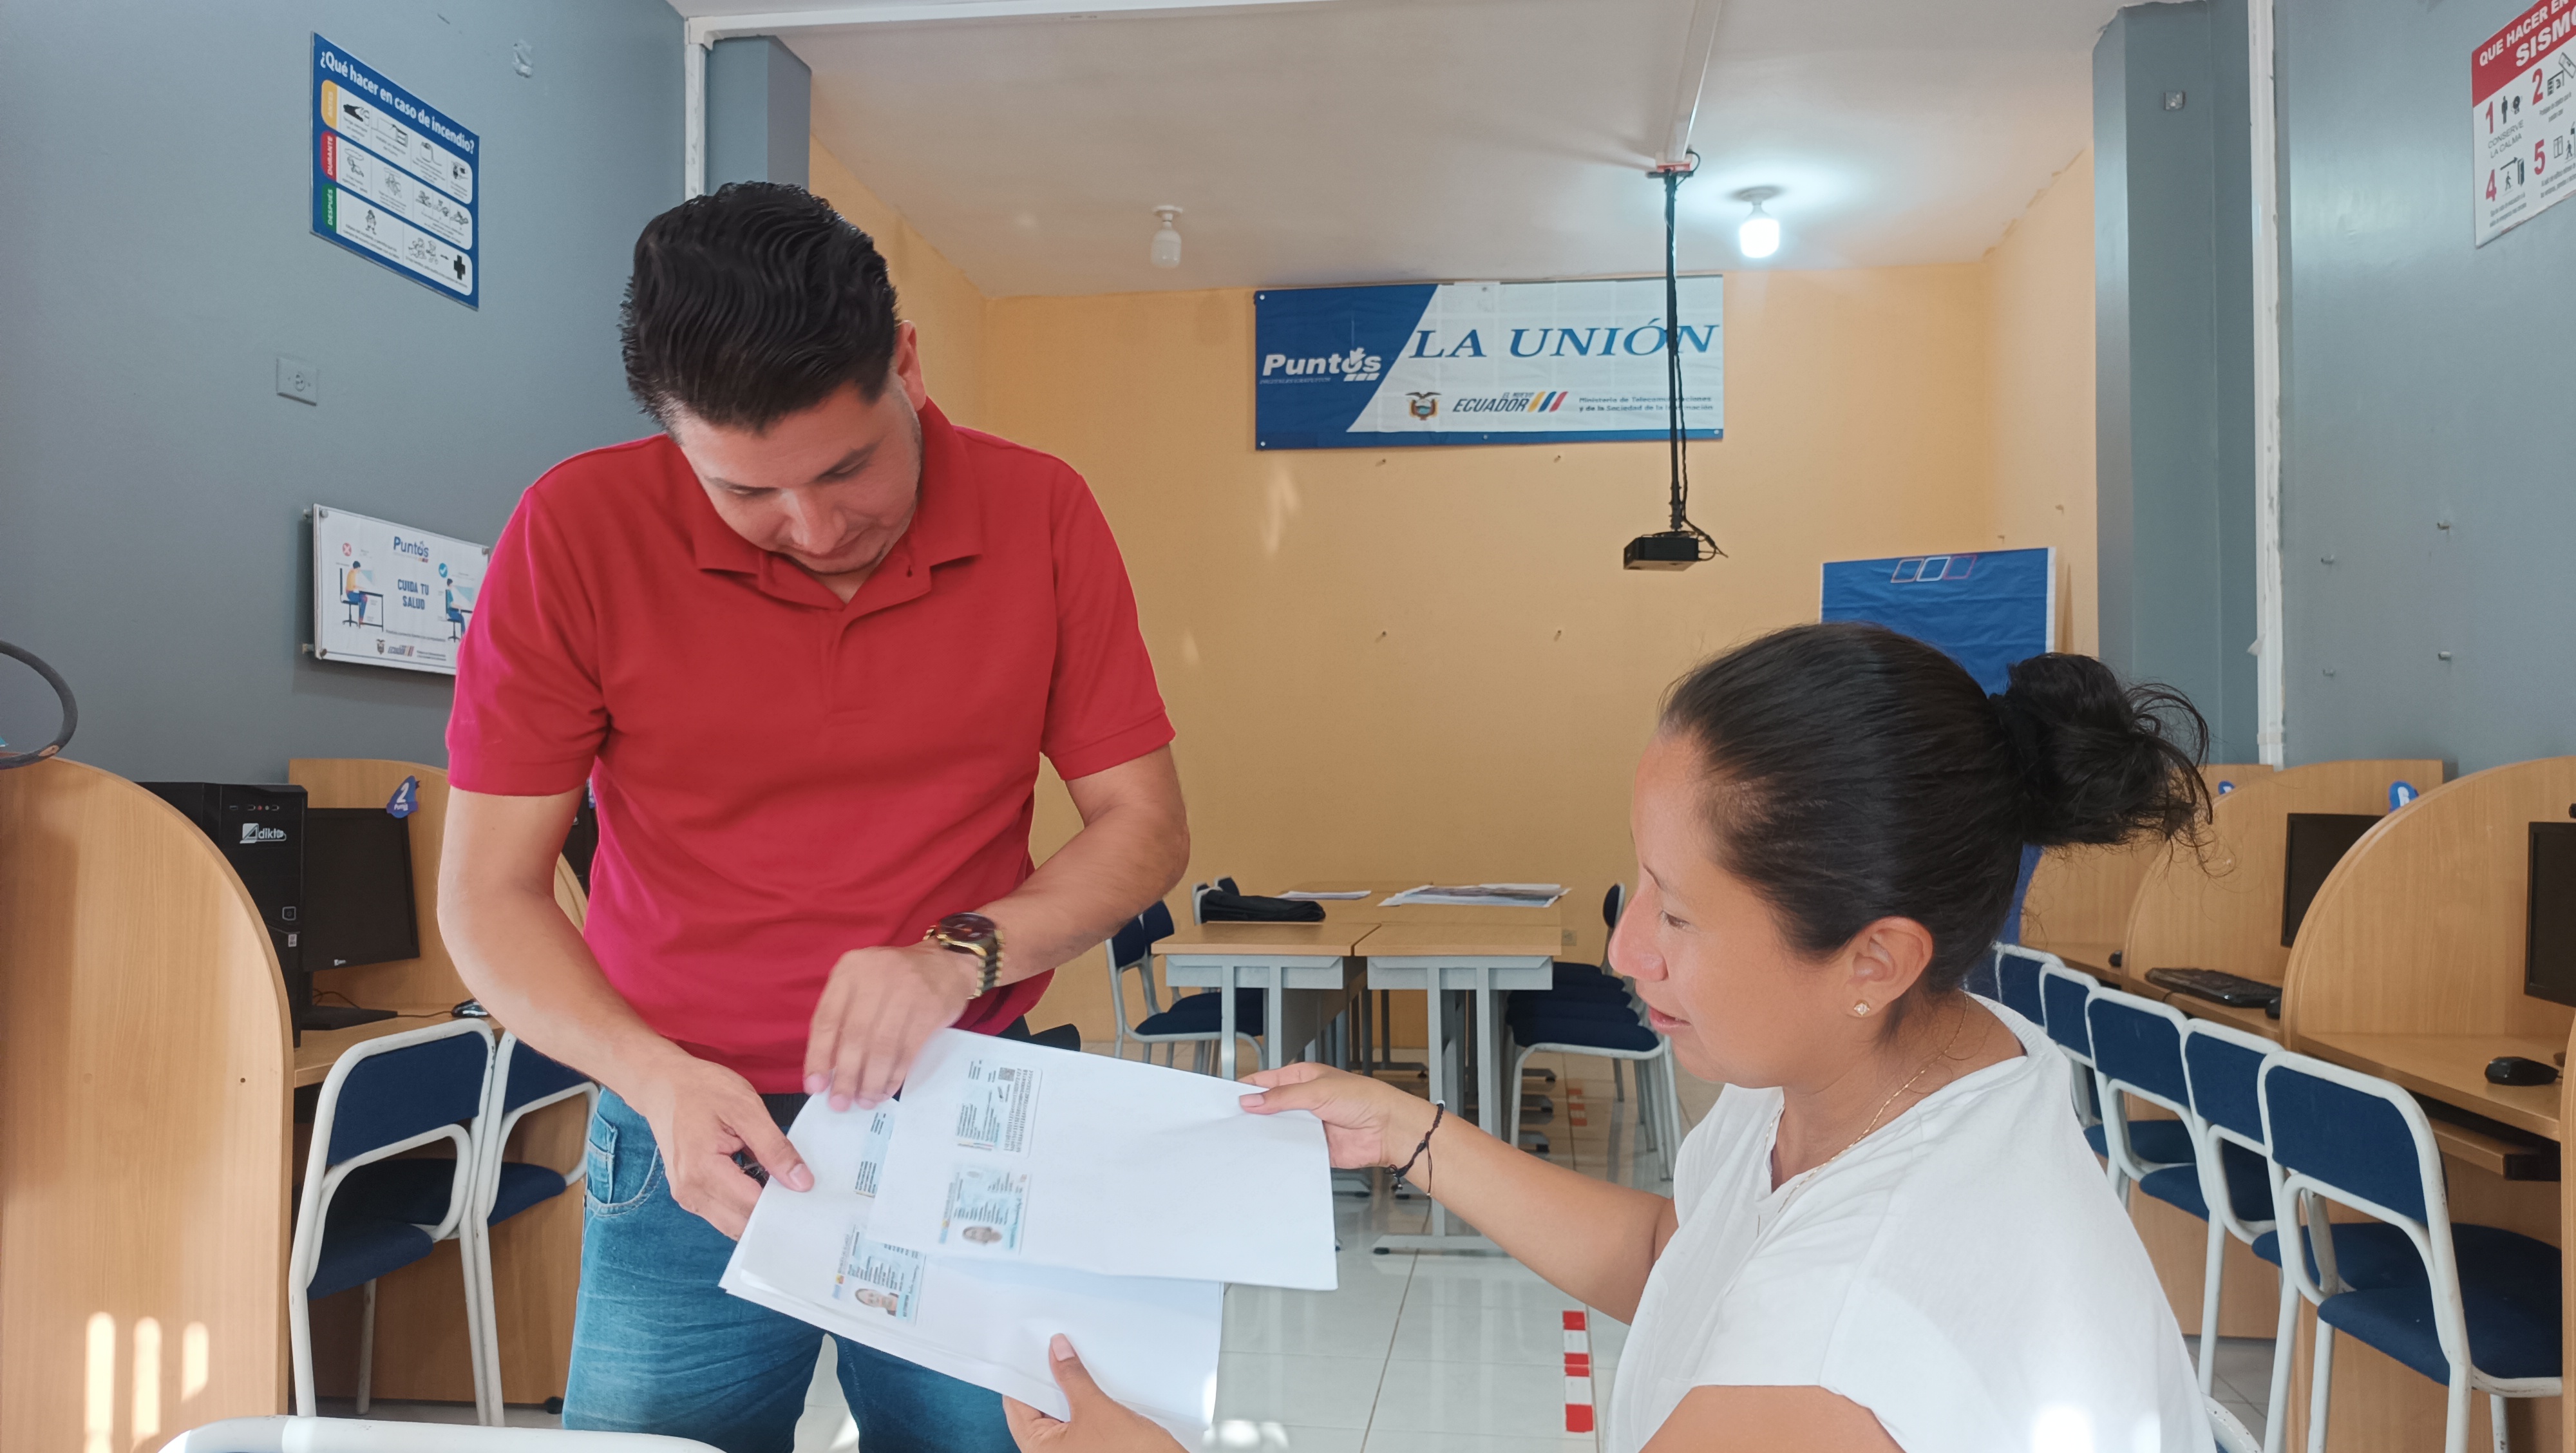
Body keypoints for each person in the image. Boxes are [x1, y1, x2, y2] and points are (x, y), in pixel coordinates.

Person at [1005, 623, 2214, 1453]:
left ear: (1875, 957)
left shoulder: (1832, 1360)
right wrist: (1408, 1131)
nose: (1628, 950)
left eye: (1677, 914)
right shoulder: (1892, 1063)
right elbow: (1672, 1257)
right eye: (1641, 886)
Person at [439, 182, 1190, 1453]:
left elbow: (1144, 825)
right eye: (747, 493)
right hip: (686, 1133)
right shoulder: (576, 532)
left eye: (849, 467)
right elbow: (487, 893)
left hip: (961, 1111)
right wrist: (650, 1078)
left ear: (907, 364)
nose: (816, 527)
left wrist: (957, 956)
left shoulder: (1041, 512)